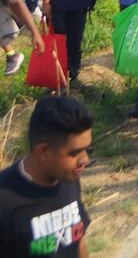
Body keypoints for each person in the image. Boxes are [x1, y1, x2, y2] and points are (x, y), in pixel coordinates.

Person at [0, 96, 94, 257]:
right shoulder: (4, 199)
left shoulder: (68, 178)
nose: (85, 160)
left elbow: (77, 241)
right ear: (43, 152)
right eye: (74, 153)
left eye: (87, 149)